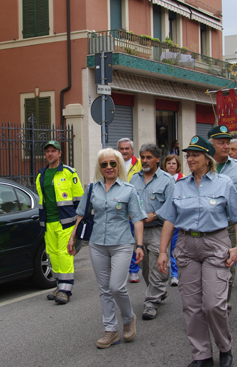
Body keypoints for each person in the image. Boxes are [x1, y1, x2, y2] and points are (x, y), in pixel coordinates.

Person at [156, 135, 237, 367]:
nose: (190, 159)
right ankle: (202, 353)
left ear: (207, 159)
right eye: (188, 155)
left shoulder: (224, 184)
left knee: (213, 304)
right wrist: (163, 251)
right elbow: (169, 220)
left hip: (215, 243)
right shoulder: (179, 186)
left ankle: (224, 347)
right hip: (187, 245)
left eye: (195, 155)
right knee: (191, 305)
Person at [69, 148, 146, 349]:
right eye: (104, 164)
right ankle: (110, 329)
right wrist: (72, 237)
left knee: (116, 287)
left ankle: (128, 318)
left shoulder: (129, 190)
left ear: (119, 165)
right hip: (97, 244)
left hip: (122, 244)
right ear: (99, 167)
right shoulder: (92, 189)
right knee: (104, 289)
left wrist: (139, 245)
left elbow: (138, 219)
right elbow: (81, 214)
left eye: (113, 163)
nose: (109, 167)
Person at [207, 126, 237, 308]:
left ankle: (224, 306)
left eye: (227, 143)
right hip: (207, 226)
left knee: (228, 265)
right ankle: (208, 305)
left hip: (230, 225)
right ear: (211, 144)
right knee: (207, 267)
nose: (226, 146)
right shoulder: (202, 166)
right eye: (221, 143)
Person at [35, 140, 83, 304]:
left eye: (53, 151)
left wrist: (79, 224)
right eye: (47, 151)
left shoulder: (69, 173)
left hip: (66, 222)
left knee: (64, 254)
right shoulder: (41, 175)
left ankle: (65, 290)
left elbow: (79, 199)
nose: (50, 154)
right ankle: (59, 285)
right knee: (53, 255)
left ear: (59, 153)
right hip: (48, 223)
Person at [130, 143, 174, 320]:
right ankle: (159, 290)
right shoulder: (134, 179)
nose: (145, 160)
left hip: (159, 229)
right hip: (139, 231)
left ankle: (151, 303)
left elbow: (171, 205)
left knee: (157, 266)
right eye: (142, 157)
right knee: (145, 267)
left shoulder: (167, 180)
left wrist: (154, 215)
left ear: (157, 159)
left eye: (149, 157)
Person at [118, 138, 143, 283]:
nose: (124, 151)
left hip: (134, 207)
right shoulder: (114, 163)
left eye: (127, 148)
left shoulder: (139, 164)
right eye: (121, 148)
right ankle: (120, 270)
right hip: (118, 207)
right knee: (120, 241)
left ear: (132, 150)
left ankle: (134, 270)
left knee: (134, 239)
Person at [161, 154, 183, 286]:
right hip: (163, 219)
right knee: (162, 248)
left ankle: (175, 274)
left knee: (175, 247)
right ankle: (162, 274)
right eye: (169, 163)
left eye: (174, 163)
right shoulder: (161, 179)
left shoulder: (183, 179)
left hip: (177, 219)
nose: (171, 165)